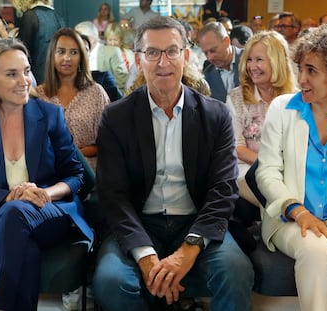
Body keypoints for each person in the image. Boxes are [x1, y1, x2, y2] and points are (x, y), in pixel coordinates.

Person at [93, 16, 253, 311]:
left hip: (197, 220)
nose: (162, 61)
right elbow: (113, 194)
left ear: (187, 56)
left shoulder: (215, 115)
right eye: (152, 52)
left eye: (171, 51)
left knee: (236, 270)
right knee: (110, 281)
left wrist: (188, 250)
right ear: (139, 60)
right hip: (140, 222)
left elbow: (223, 189)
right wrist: (146, 257)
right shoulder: (116, 117)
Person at [0, 37, 93, 311]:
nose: (24, 80)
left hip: (49, 210)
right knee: (24, 249)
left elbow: (76, 175)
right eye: (11, 74)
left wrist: (46, 191)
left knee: (15, 213)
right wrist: (9, 196)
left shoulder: (50, 114)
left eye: (27, 70)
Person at [256, 25, 327, 311]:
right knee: (314, 248)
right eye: (300, 68)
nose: (301, 79)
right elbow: (266, 171)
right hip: (290, 217)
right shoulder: (282, 108)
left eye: (311, 70)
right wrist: (297, 210)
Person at [227, 30, 295, 209]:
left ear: (277, 61)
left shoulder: (296, 98)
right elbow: (238, 148)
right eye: (249, 60)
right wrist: (270, 166)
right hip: (248, 169)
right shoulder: (236, 97)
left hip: (289, 170)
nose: (252, 66)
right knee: (274, 198)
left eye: (259, 60)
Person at [35, 28, 110, 171]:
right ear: (52, 55)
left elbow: (108, 141)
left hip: (88, 173)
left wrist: (73, 155)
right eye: (61, 51)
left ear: (82, 57)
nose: (67, 58)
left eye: (73, 52)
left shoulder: (96, 92)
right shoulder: (39, 95)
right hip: (50, 174)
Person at [13, 0, 65, 84]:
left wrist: (4, 35)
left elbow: (21, 53)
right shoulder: (58, 17)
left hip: (38, 81)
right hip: (58, 80)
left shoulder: (30, 17)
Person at [74, 21, 129, 93]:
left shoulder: (112, 52)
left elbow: (122, 83)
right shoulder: (76, 55)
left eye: (80, 37)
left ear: (92, 38)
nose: (76, 40)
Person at [198, 21, 243, 102]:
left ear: (227, 41)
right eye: (205, 53)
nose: (209, 58)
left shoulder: (250, 60)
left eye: (213, 50)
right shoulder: (207, 76)